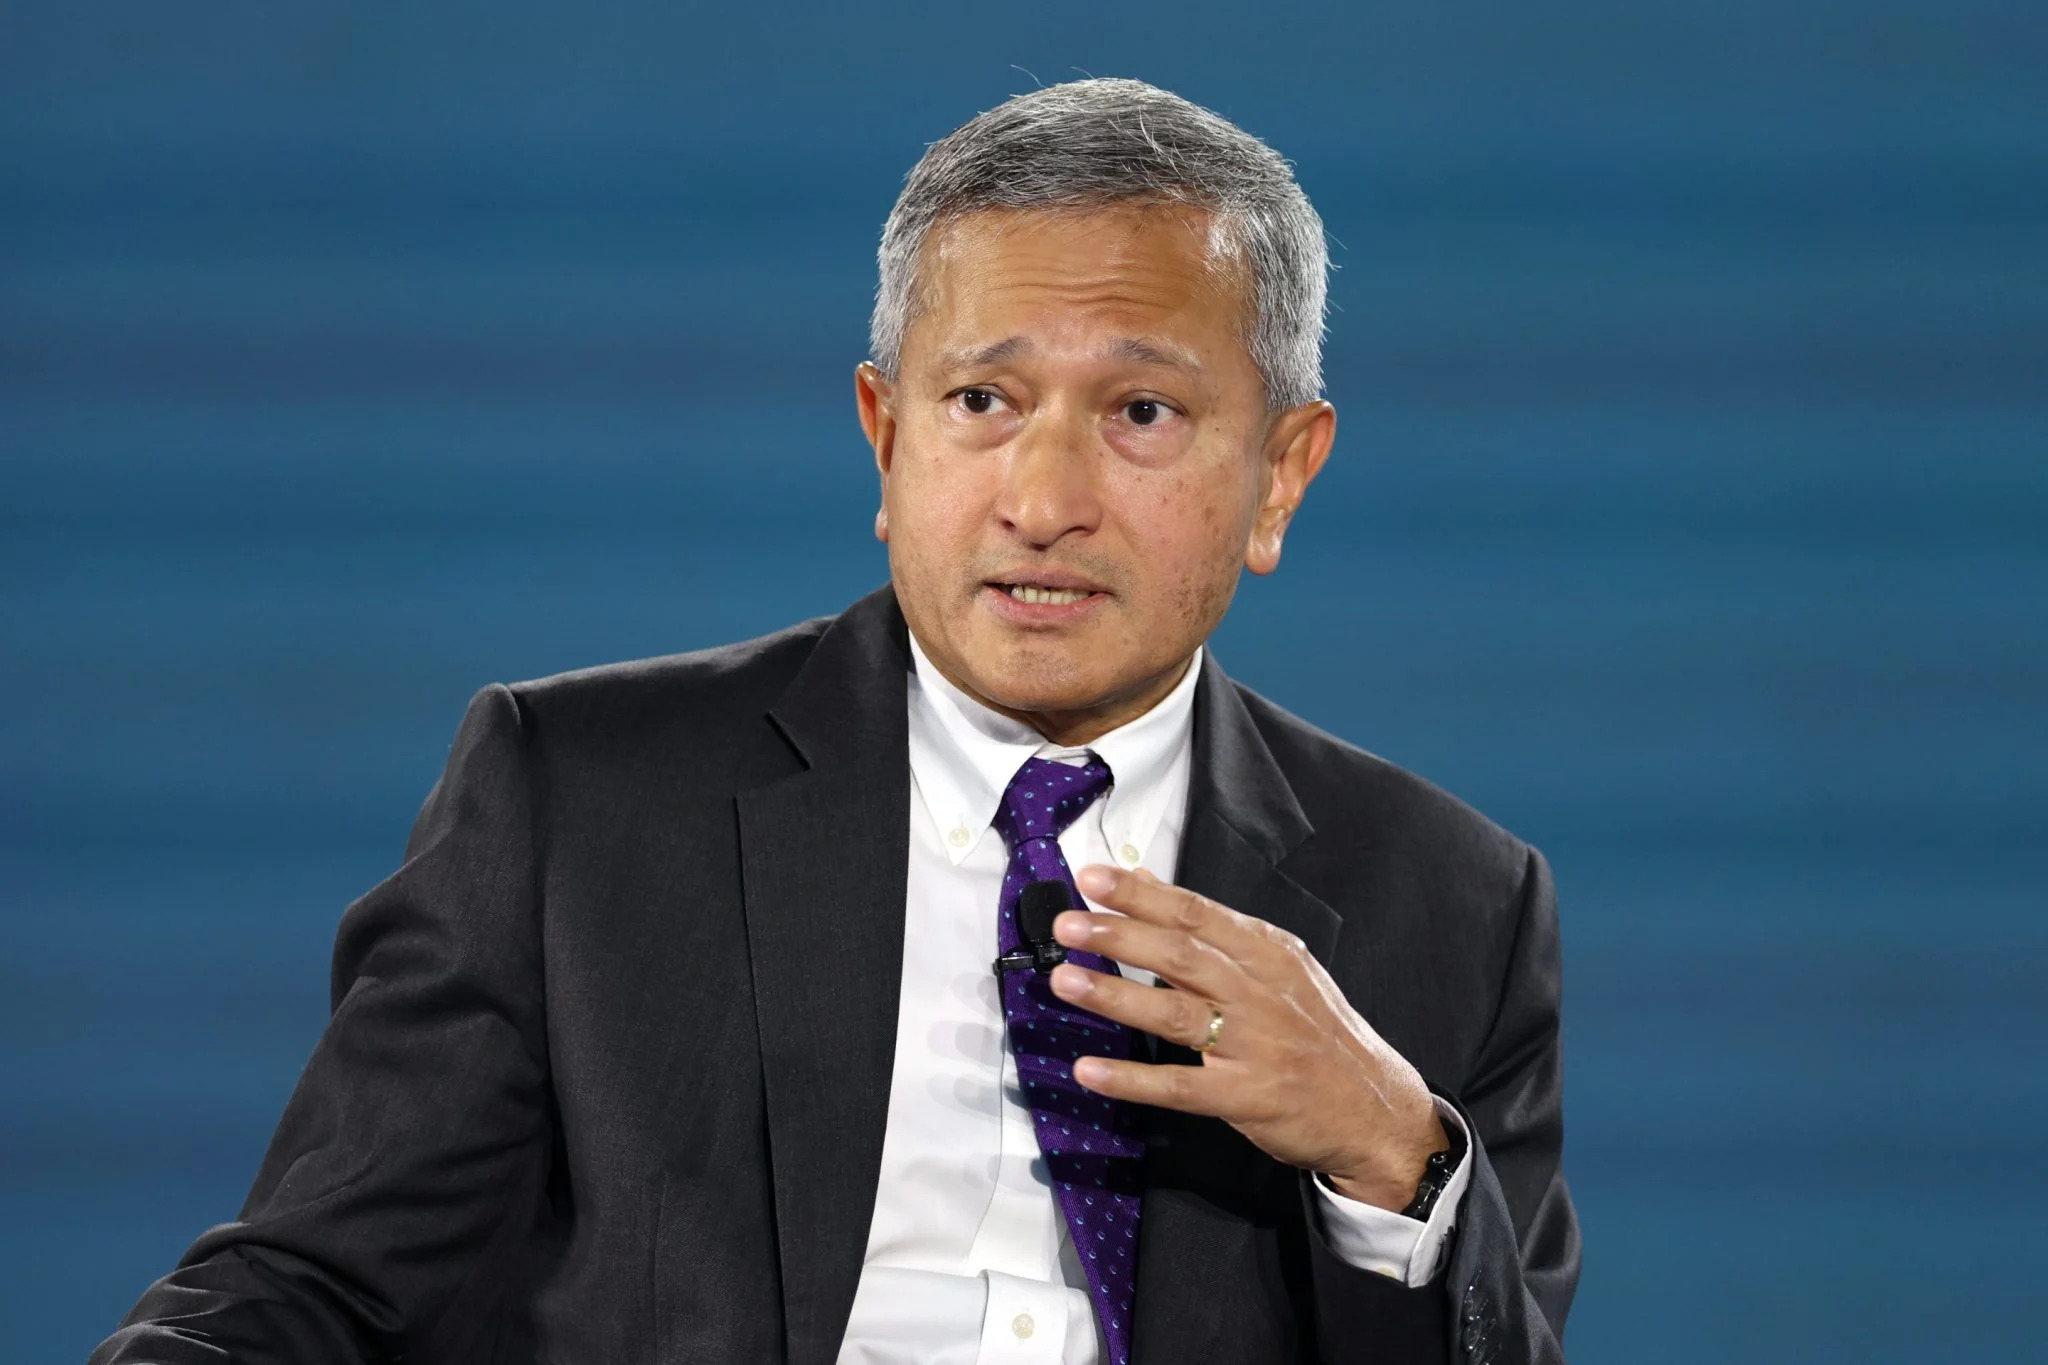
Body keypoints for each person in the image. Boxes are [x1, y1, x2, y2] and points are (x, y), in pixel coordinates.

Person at [93, 78, 1577, 1365]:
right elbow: (311, 1290)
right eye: (983, 400)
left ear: (1281, 474)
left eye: (1142, 414)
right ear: (885, 436)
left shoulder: (1453, 908)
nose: (1043, 501)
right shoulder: (580, 806)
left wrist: (1393, 1153)